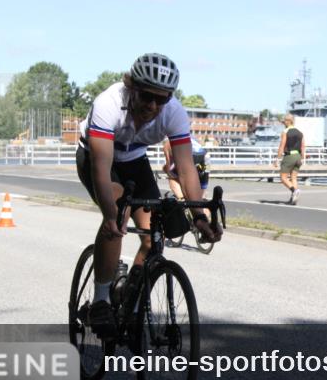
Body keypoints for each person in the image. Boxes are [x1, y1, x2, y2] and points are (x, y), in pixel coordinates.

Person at [76, 53, 222, 338]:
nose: (153, 105)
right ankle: (102, 300)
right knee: (118, 211)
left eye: (162, 99)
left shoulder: (174, 112)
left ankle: (129, 297)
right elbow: (102, 169)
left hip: (134, 159)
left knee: (153, 234)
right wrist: (110, 215)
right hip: (97, 157)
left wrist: (200, 216)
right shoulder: (107, 104)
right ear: (131, 86)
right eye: (146, 96)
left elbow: (186, 168)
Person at [276, 115, 304, 205]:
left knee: (283, 177)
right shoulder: (300, 132)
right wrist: (302, 157)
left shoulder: (285, 132)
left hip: (289, 156)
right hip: (298, 156)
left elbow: (282, 145)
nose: (284, 123)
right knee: (293, 178)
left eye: (284, 122)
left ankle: (294, 191)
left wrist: (277, 159)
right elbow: (303, 146)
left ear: (288, 121)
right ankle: (293, 200)